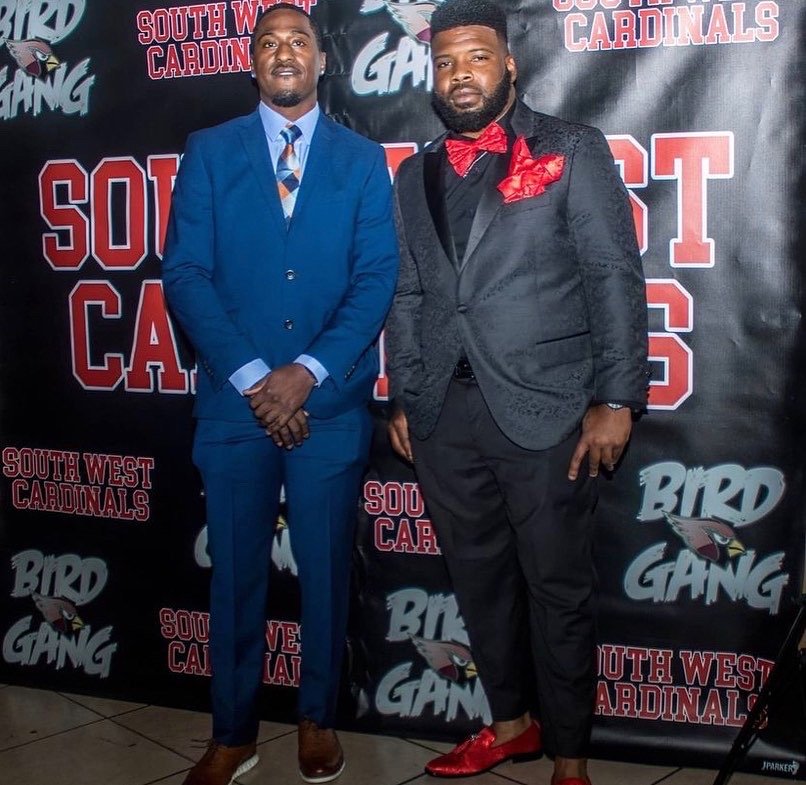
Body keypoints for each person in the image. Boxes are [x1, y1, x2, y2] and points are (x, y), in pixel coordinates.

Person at [384, 1, 649, 783]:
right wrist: (406, 394)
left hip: (548, 410)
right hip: (443, 417)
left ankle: (570, 756)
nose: (459, 75)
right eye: (445, 62)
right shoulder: (414, 173)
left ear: (509, 64)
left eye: (476, 57)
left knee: (558, 588)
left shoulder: (571, 147)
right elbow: (408, 293)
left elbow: (612, 275)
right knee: (479, 581)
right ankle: (511, 725)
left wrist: (618, 398)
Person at [162, 4, 398, 784]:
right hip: (236, 407)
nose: (284, 52)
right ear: (253, 62)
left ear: (322, 60)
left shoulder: (363, 160)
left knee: (325, 572)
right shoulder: (209, 151)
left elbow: (375, 279)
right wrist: (257, 379)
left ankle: (317, 718)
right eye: (268, 42)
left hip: (328, 404)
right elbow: (185, 273)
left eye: (299, 40)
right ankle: (232, 732)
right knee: (235, 574)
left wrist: (306, 373)